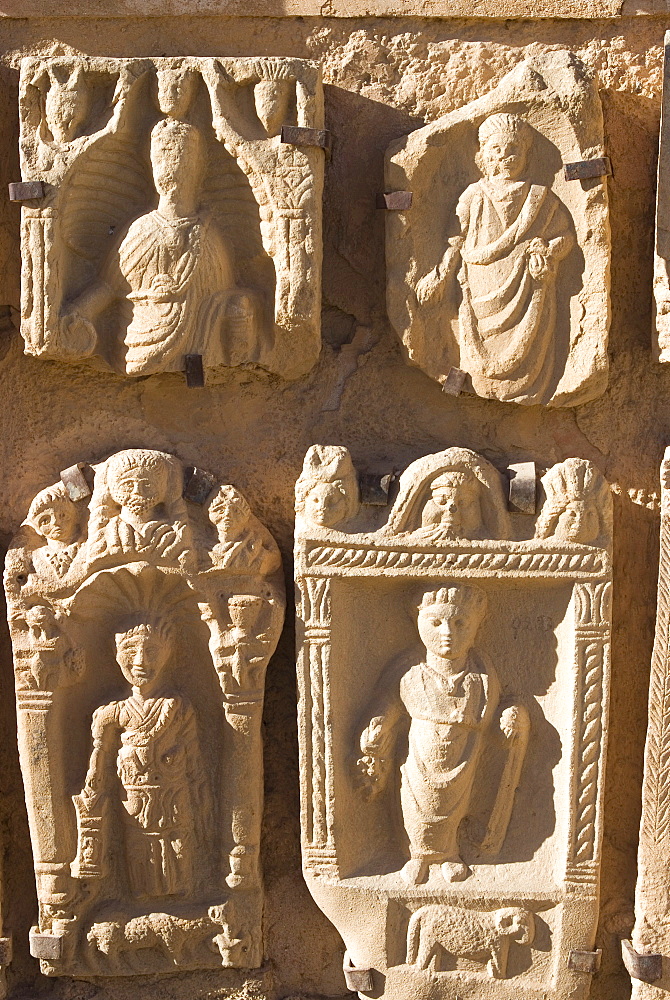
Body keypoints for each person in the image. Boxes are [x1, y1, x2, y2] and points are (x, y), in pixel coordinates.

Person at [61, 117, 257, 375]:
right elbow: (109, 286)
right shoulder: (141, 230)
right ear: (151, 164)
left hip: (197, 349)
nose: (171, 165)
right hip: (138, 344)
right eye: (162, 156)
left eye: (182, 156)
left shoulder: (208, 237)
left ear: (198, 166)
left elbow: (220, 297)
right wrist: (78, 312)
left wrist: (239, 308)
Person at [417, 113, 574, 404]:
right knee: (477, 345)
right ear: (483, 155)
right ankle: (478, 384)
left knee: (530, 348)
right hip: (479, 286)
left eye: (514, 149)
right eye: (497, 150)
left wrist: (548, 250)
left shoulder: (540, 197)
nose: (506, 157)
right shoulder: (473, 195)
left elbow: (565, 236)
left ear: (526, 155)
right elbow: (456, 238)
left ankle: (529, 391)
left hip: (528, 289)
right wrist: (440, 274)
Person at [356, 584, 498, 884]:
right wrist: (378, 726)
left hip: (463, 753)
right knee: (416, 804)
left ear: (476, 627)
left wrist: (513, 716)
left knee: (455, 806)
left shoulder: (479, 672)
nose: (448, 632)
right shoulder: (409, 670)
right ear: (418, 623)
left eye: (460, 623)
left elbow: (490, 709)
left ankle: (449, 854)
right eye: (436, 623)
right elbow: (387, 703)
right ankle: (418, 854)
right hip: (420, 753)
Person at [73, 616, 211, 899]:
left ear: (167, 653)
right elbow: (98, 759)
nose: (140, 661)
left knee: (177, 850)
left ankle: (182, 897)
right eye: (130, 651)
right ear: (116, 654)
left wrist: (202, 800)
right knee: (140, 855)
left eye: (151, 651)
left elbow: (194, 759)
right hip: (134, 803)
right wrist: (93, 784)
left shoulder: (177, 707)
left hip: (173, 798)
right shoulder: (112, 712)